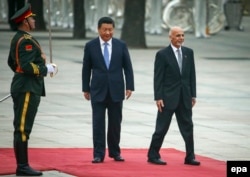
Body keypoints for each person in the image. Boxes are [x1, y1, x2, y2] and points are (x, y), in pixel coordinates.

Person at [7, 3, 57, 176]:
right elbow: (27, 66)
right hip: (27, 88)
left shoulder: (19, 38)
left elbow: (12, 63)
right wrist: (46, 69)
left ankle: (23, 165)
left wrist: (20, 74)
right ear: (25, 21)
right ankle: (22, 166)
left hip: (24, 85)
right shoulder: (25, 41)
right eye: (32, 18)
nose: (35, 20)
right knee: (22, 127)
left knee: (23, 126)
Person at [82, 16, 134, 163]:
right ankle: (98, 154)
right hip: (97, 90)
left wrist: (130, 86)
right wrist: (86, 88)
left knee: (115, 123)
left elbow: (128, 67)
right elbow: (86, 68)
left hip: (116, 90)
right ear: (98, 29)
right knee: (98, 123)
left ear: (114, 30)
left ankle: (115, 152)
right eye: (104, 29)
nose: (107, 32)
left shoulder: (121, 45)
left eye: (110, 30)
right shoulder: (90, 46)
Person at [147, 26, 200, 166]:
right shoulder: (162, 54)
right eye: (177, 35)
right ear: (170, 37)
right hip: (167, 98)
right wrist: (158, 97)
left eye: (182, 35)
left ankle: (190, 157)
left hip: (185, 98)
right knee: (161, 128)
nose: (180, 38)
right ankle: (153, 155)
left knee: (188, 127)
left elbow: (191, 75)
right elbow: (158, 78)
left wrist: (193, 95)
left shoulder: (189, 52)